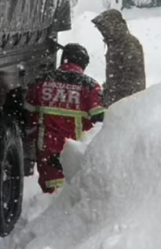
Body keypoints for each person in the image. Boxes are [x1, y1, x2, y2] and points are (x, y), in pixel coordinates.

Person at [25, 43, 105, 193]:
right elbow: (100, 120)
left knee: (50, 195)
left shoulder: (41, 82)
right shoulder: (90, 86)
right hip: (75, 153)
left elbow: (28, 114)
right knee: (71, 196)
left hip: (46, 150)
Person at [92, 9, 146, 107]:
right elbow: (115, 76)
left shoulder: (129, 45)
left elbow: (133, 81)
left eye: (105, 28)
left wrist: (113, 97)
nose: (103, 32)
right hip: (117, 100)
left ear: (114, 26)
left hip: (126, 104)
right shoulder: (115, 44)